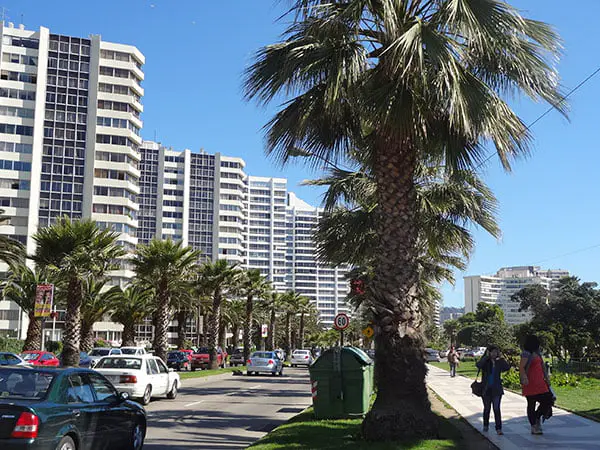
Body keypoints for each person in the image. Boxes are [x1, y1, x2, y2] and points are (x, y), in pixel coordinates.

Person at [520, 334, 553, 435]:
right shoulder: (526, 353)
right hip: (530, 382)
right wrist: (524, 377)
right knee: (531, 404)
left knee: (548, 399)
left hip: (540, 382)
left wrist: (547, 378)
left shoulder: (537, 353)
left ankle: (537, 416)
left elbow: (542, 366)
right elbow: (521, 367)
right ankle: (534, 426)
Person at [476, 345, 510, 435]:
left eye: (496, 352)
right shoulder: (486, 362)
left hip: (497, 389)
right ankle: (486, 425)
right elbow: (478, 365)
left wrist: (501, 358)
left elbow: (507, 367)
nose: (494, 354)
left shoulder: (499, 362)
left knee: (496, 408)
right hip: (486, 389)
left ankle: (498, 428)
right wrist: (486, 357)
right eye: (493, 352)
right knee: (487, 408)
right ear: (489, 352)